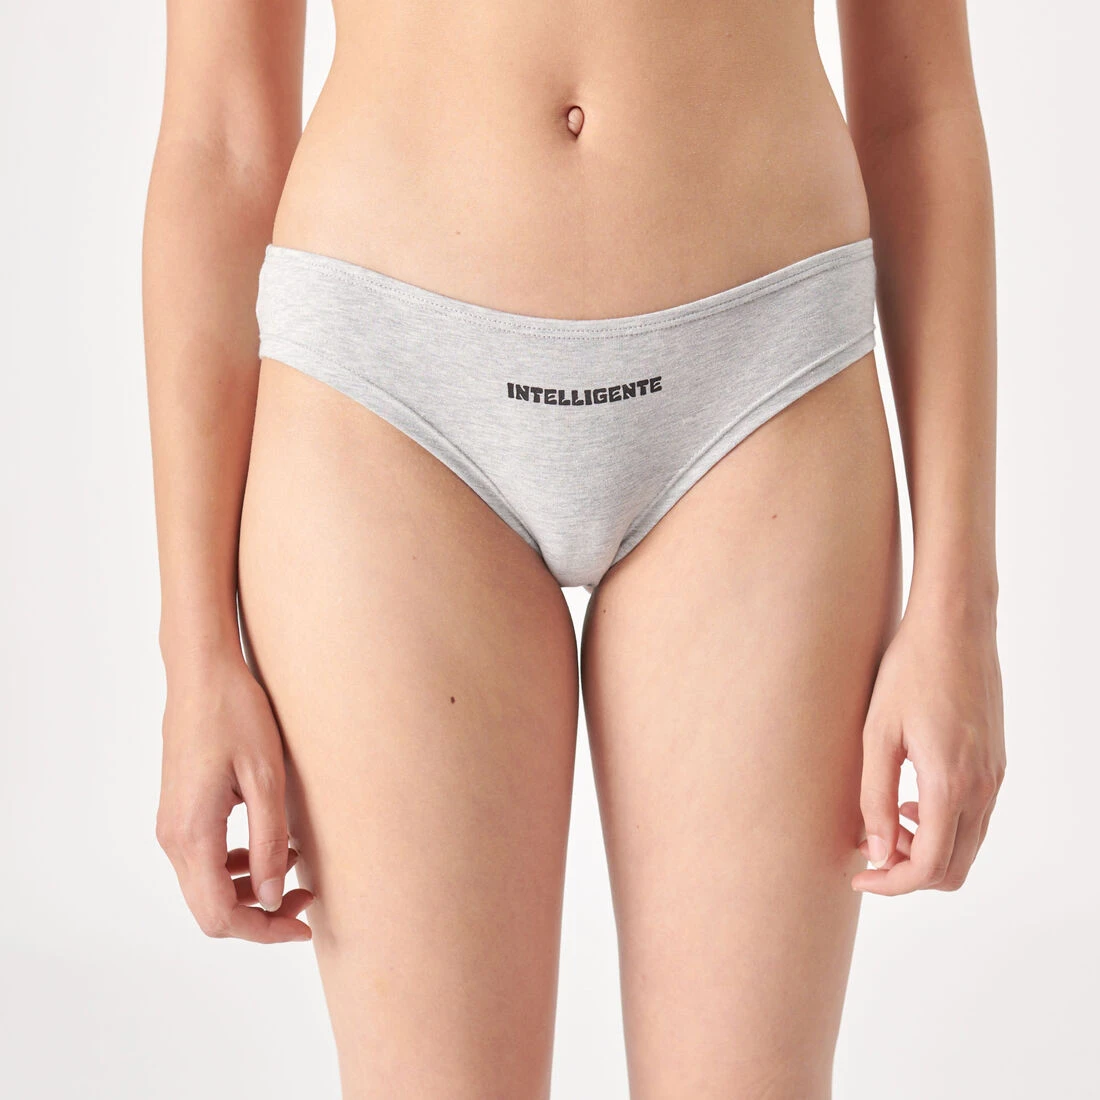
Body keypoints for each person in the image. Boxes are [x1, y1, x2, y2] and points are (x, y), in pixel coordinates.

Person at [142, 1, 1006, 1095]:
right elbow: (218, 136)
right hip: (385, 395)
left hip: (760, 385)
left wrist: (957, 606)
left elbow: (920, 108)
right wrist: (194, 654)